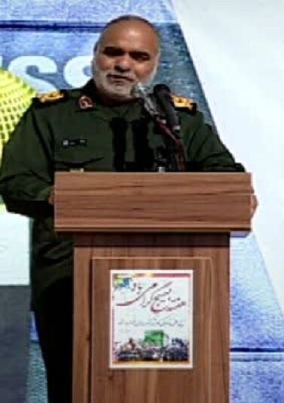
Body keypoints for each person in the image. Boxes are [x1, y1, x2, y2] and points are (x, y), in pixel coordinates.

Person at [0, 15, 245, 403]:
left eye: (138, 56)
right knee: (76, 388)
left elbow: (227, 181)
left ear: (155, 64)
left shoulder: (177, 121)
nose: (123, 64)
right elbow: (15, 182)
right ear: (95, 55)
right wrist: (64, 199)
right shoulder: (51, 115)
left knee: (165, 389)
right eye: (113, 52)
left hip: (165, 289)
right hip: (70, 281)